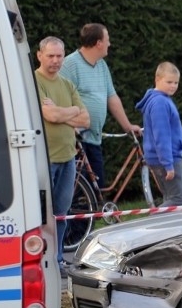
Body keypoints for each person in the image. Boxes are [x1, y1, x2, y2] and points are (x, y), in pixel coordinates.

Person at [60, 23, 141, 189]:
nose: (109, 44)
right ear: (98, 43)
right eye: (107, 40)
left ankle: (94, 214)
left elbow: (111, 97)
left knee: (98, 186)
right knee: (80, 189)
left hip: (94, 138)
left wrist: (127, 126)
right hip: (76, 140)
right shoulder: (70, 64)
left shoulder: (101, 65)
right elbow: (61, 99)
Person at [35, 36, 91, 273]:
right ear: (39, 55)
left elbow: (86, 120)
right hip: (44, 159)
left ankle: (57, 260)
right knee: (40, 214)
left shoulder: (67, 84)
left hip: (68, 158)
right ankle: (39, 260)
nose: (56, 61)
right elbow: (51, 117)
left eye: (59, 56)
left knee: (61, 212)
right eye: (51, 56)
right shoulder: (33, 82)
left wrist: (62, 112)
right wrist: (72, 111)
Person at [136, 62, 182, 206]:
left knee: (170, 197)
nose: (173, 86)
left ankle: (166, 227)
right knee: (177, 200)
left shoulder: (160, 99)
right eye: (169, 82)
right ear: (157, 79)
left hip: (161, 158)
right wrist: (168, 164)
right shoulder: (160, 102)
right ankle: (152, 223)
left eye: (176, 82)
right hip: (166, 158)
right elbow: (162, 136)